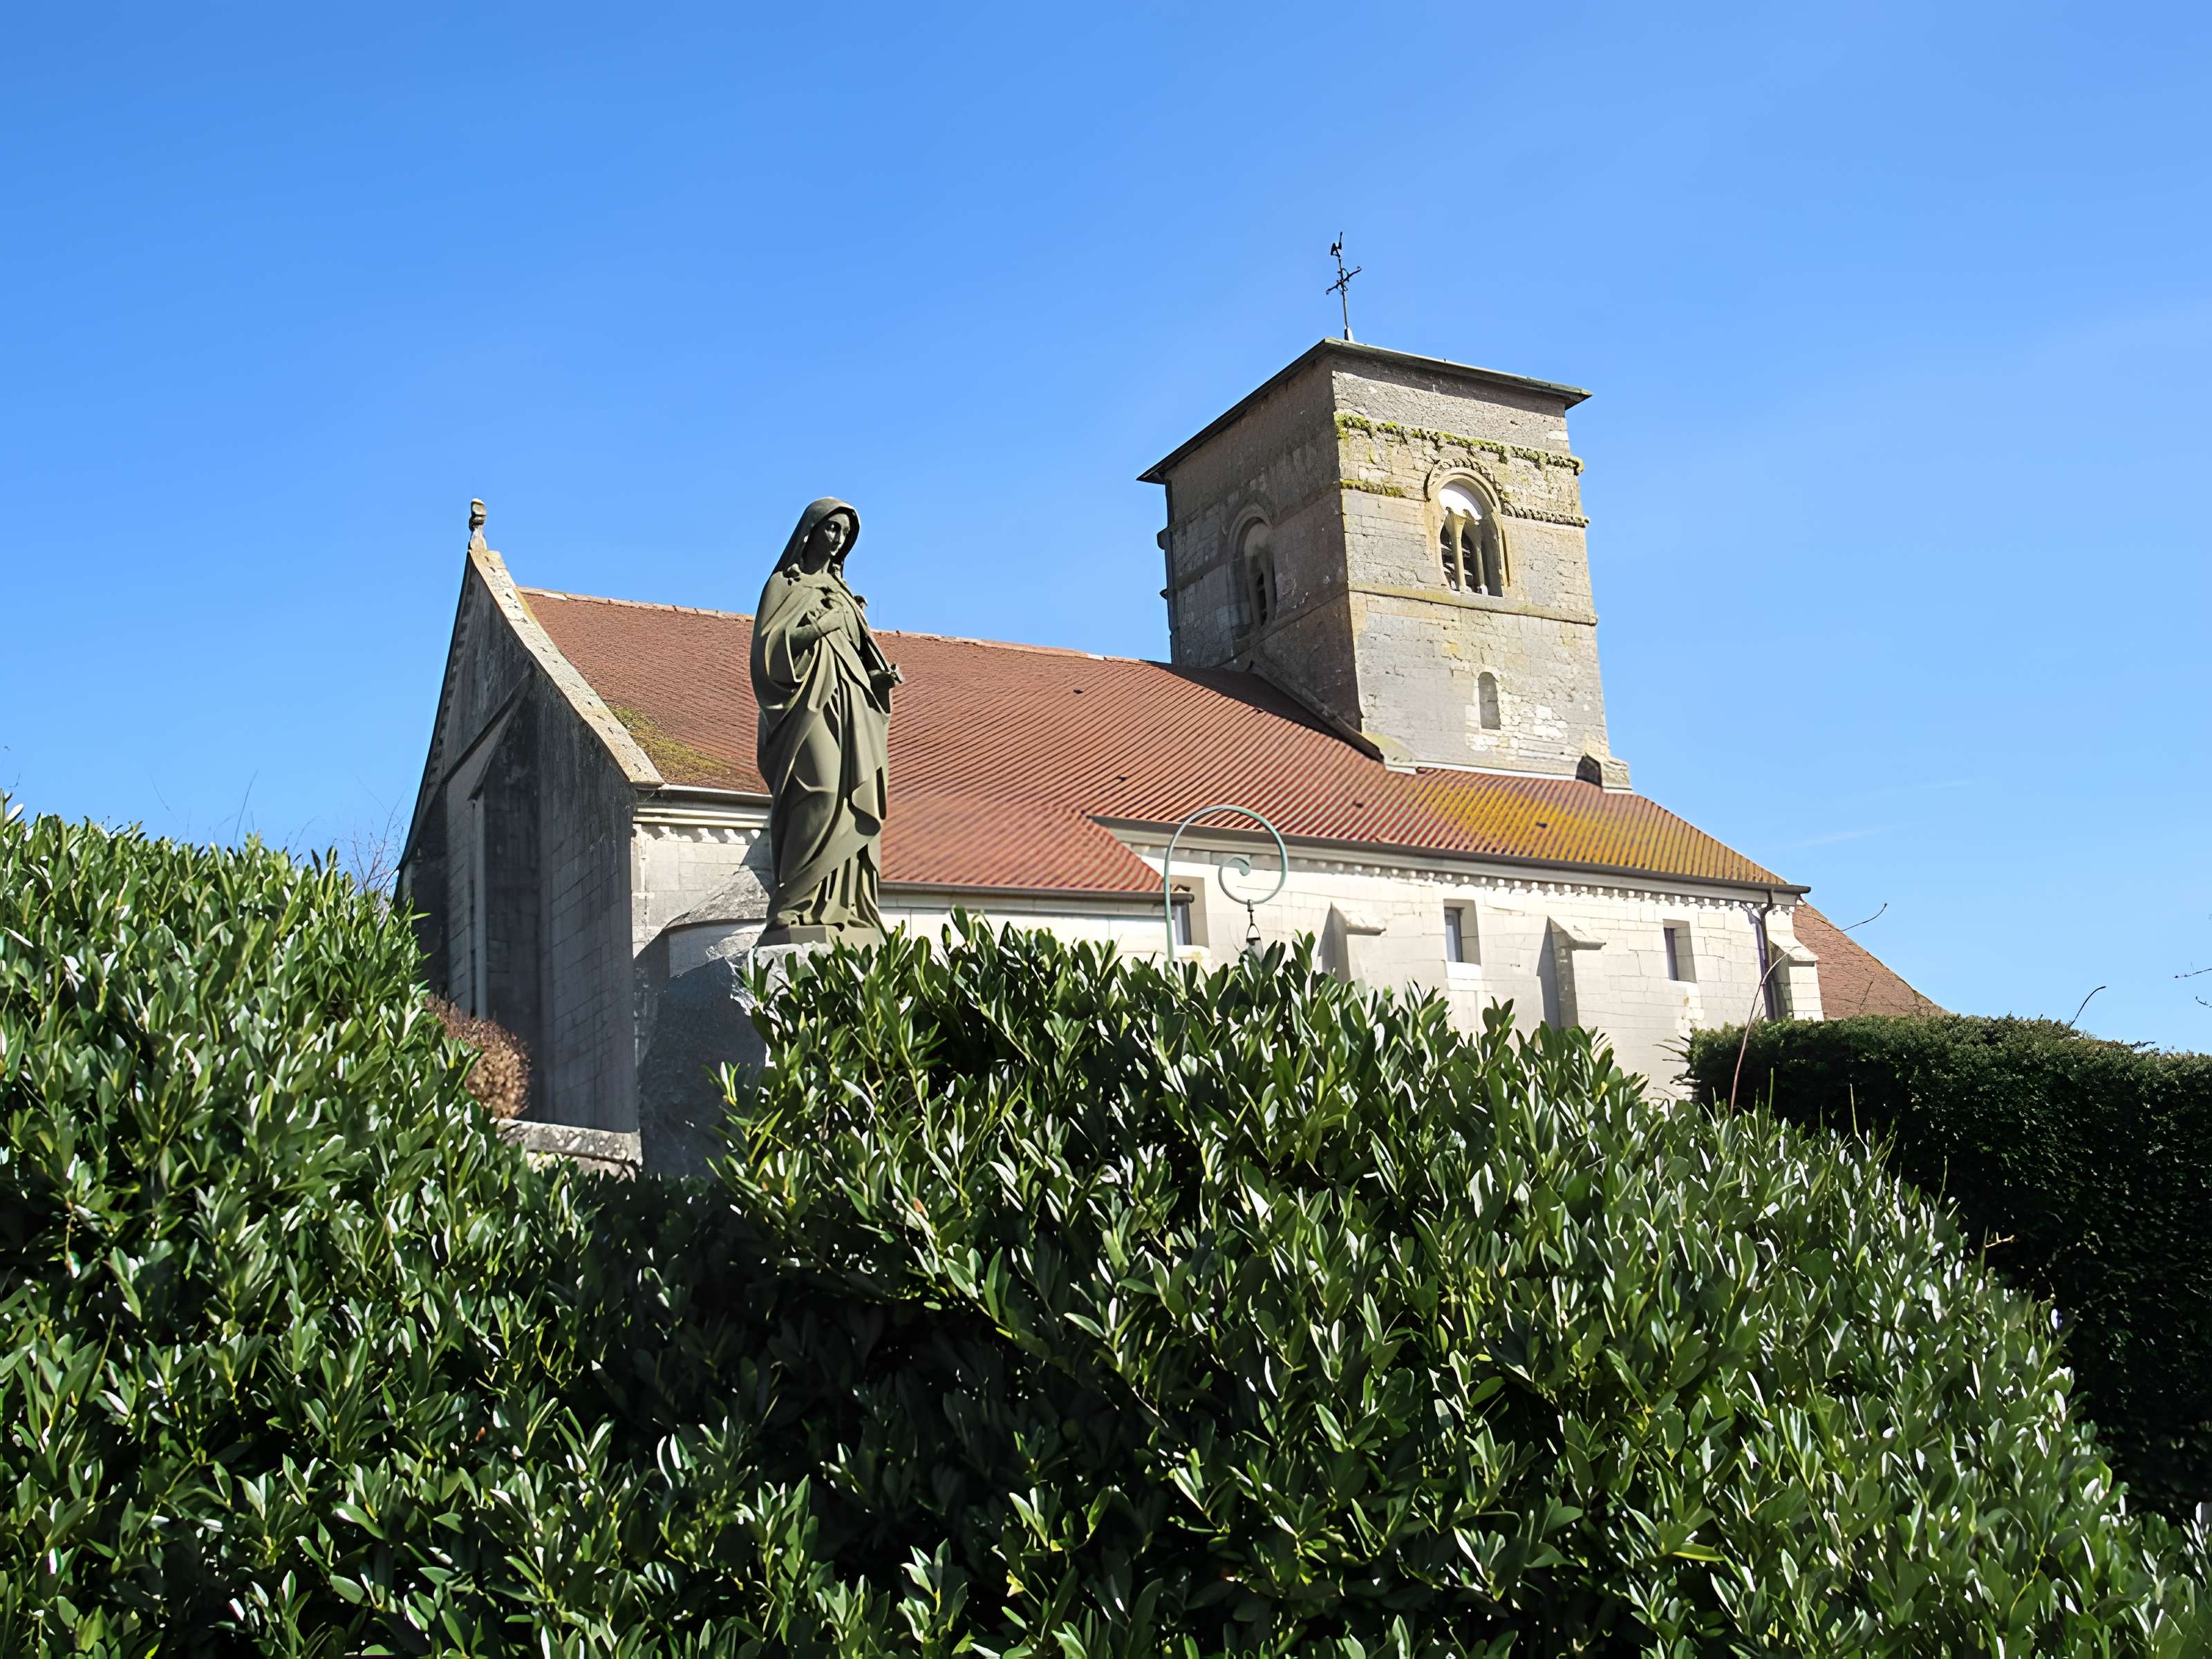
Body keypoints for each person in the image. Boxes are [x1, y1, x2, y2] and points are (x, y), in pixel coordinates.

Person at [749, 498, 900, 941]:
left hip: (852, 703)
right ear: (810, 531)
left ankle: (848, 909)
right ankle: (793, 906)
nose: (836, 540)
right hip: (806, 703)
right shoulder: (785, 584)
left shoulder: (846, 597)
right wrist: (819, 626)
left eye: (844, 535)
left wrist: (880, 679)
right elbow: (768, 653)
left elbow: (860, 652)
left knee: (852, 805)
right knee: (820, 790)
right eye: (830, 529)